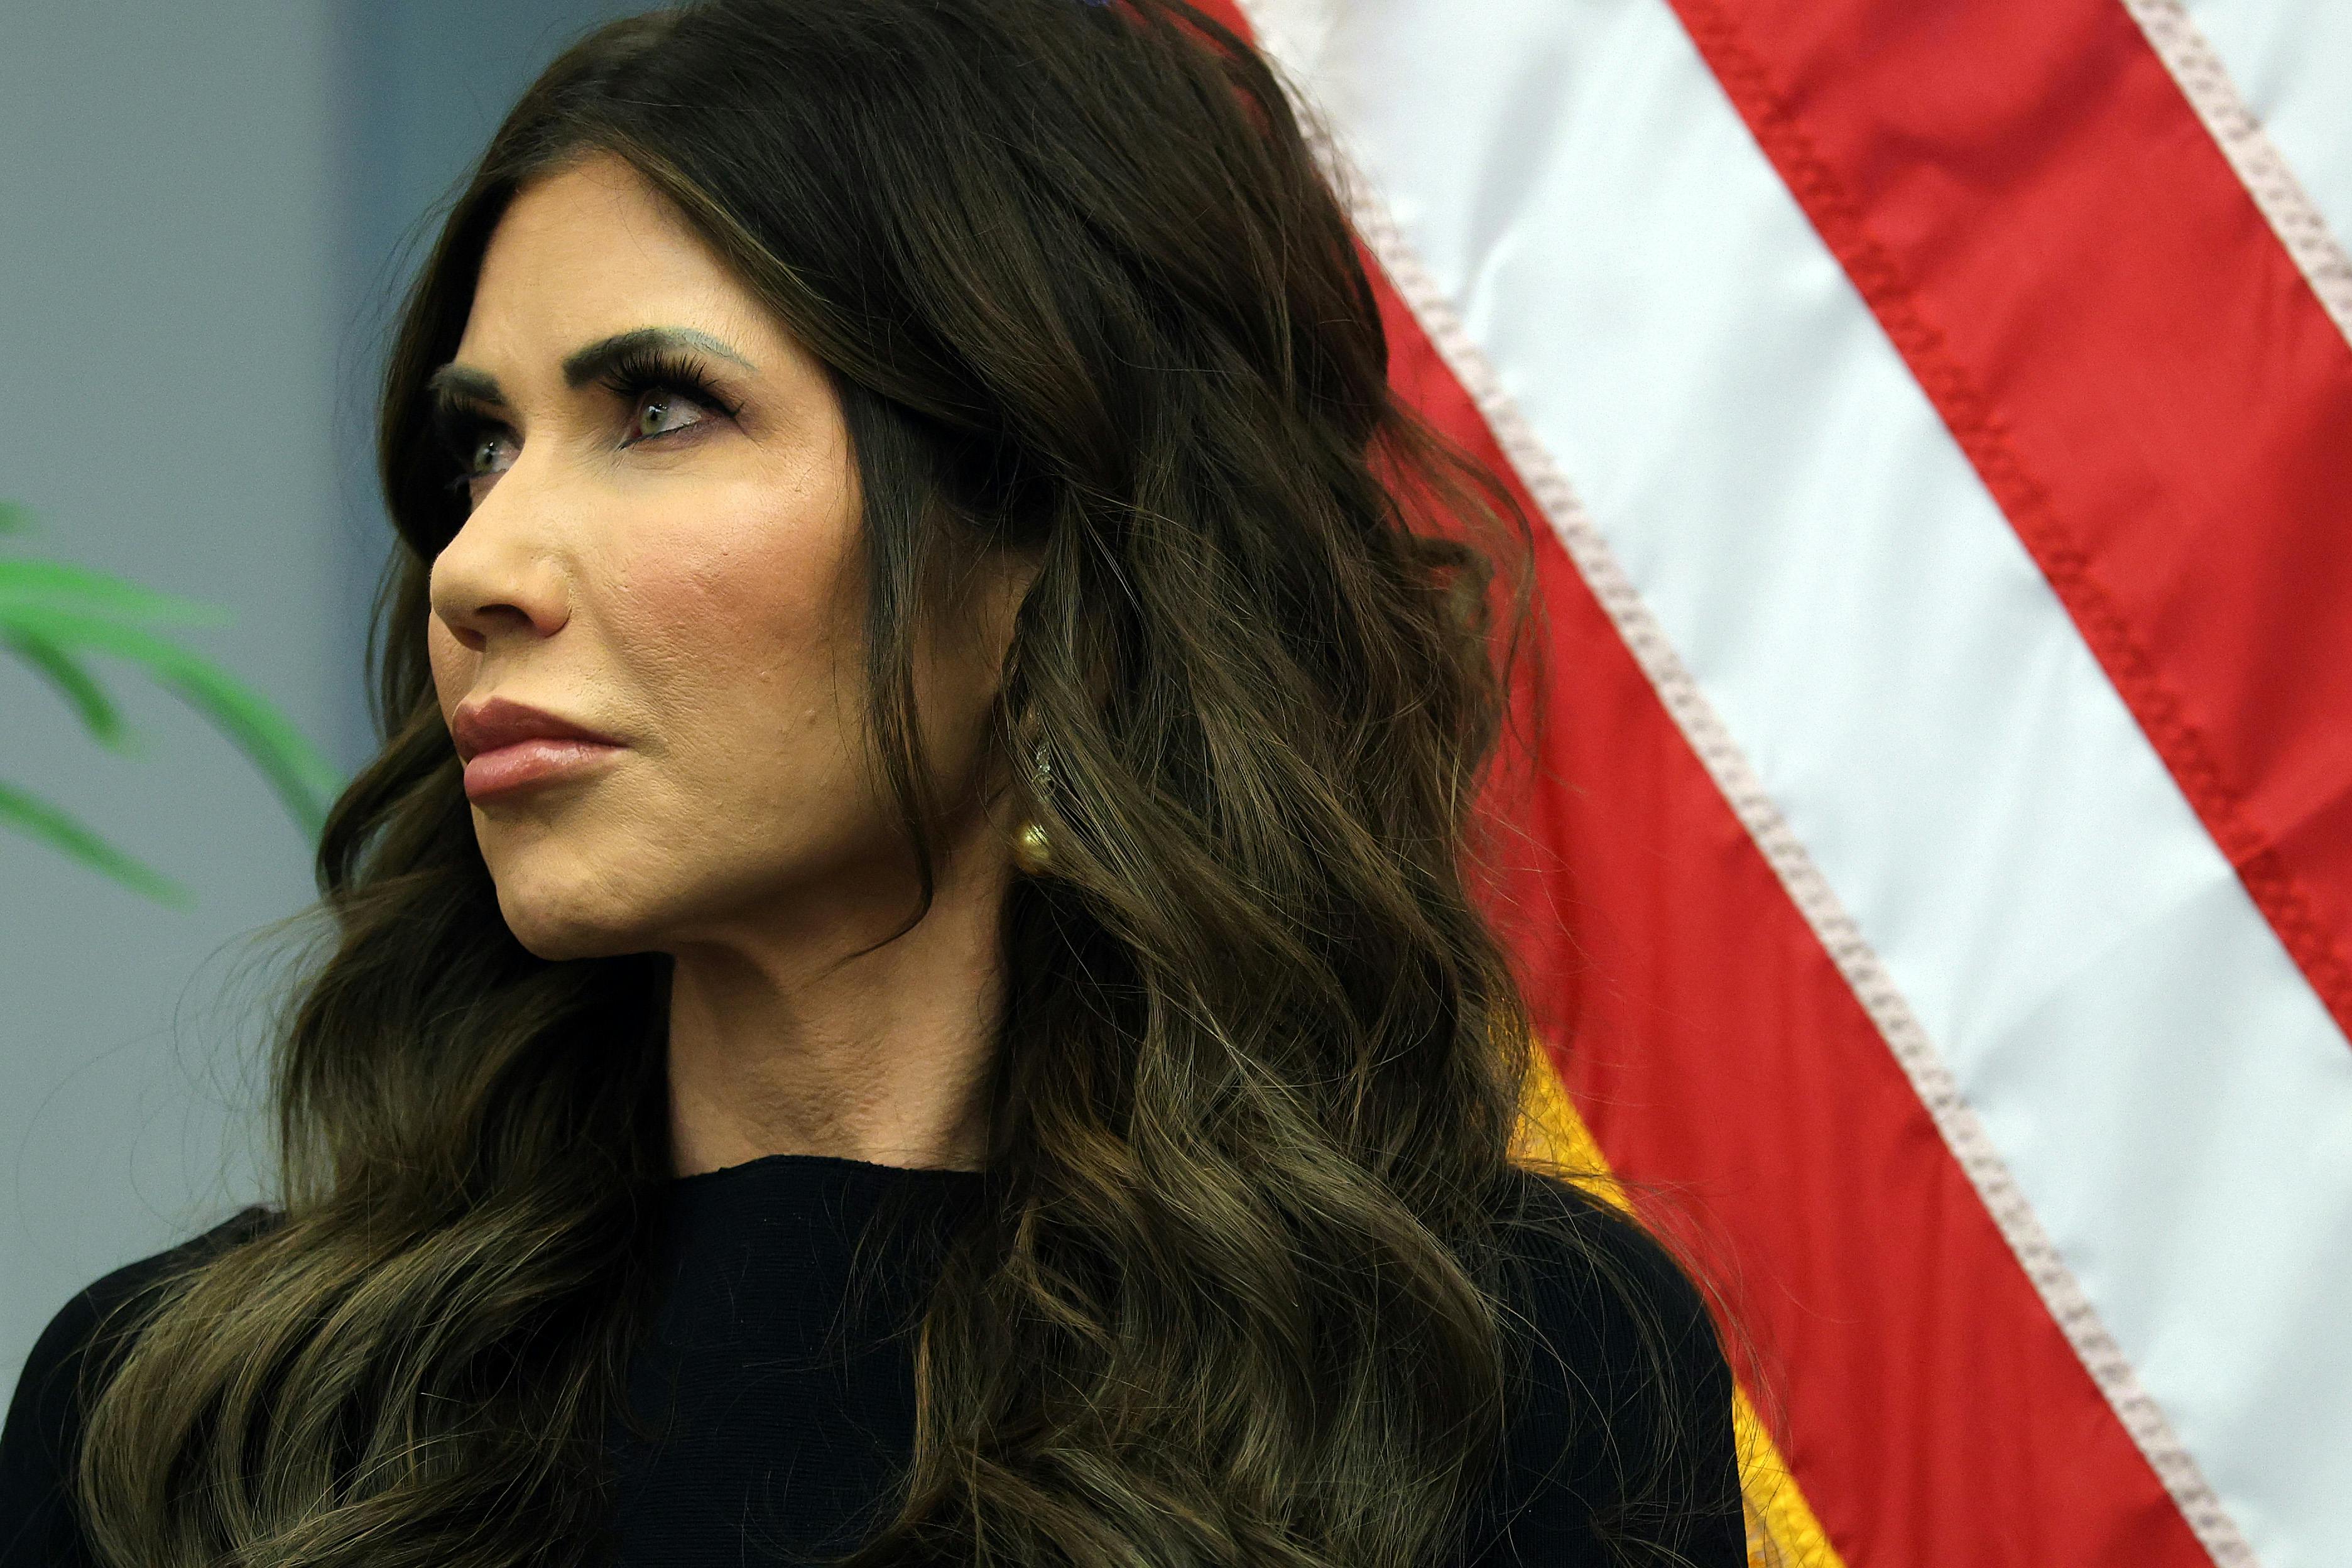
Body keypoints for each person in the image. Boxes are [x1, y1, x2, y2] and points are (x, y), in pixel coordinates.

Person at [0, 2, 1748, 1564]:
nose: (475, 566)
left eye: (662, 410)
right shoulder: (193, 1425)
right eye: (482, 446)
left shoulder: (1485, 1372)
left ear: (1047, 538)